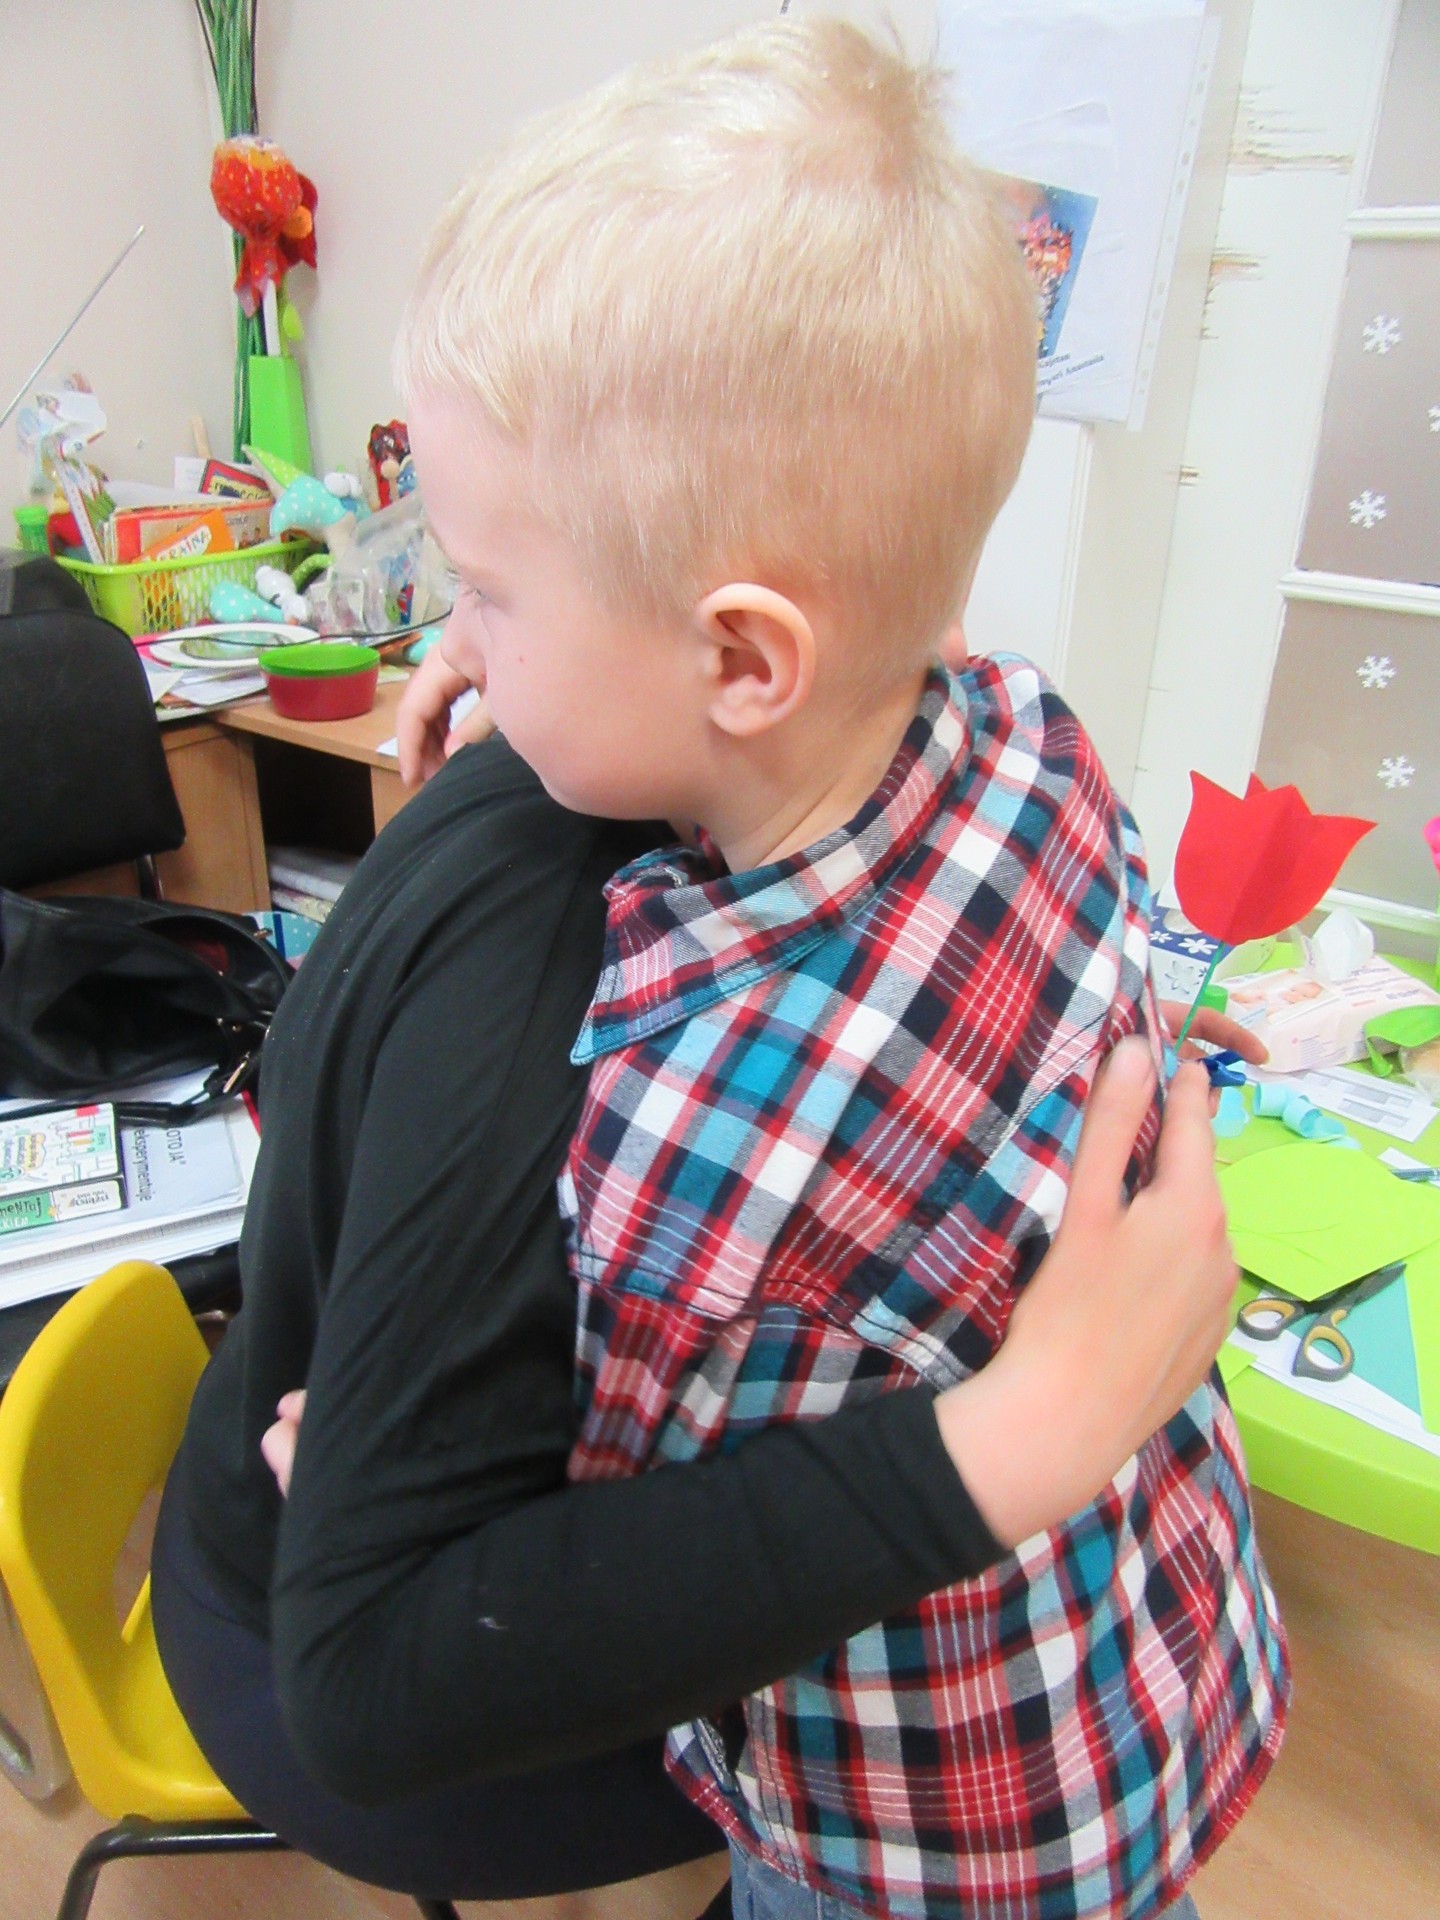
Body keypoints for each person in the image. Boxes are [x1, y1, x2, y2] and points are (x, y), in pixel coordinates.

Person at [383, 18, 1287, 1920]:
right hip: (1140, 1649)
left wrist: (372, 1458)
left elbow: (589, 1559)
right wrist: (541, 657)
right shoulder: (1022, 733)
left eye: (482, 586)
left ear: (741, 660)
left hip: (927, 1832)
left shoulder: (698, 1147)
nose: (451, 630)